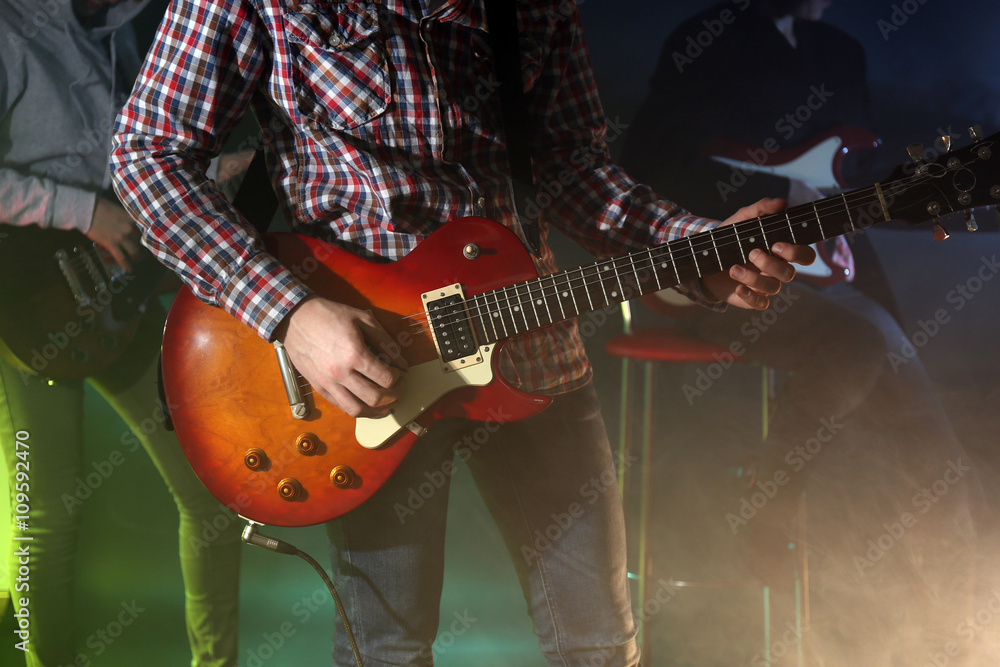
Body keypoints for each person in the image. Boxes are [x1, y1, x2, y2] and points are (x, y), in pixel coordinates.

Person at [109, 1, 814, 665]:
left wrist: (695, 250)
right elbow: (147, 156)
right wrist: (290, 313)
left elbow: (572, 168)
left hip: (530, 339)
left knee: (599, 643)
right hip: (365, 371)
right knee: (389, 650)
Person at [619, 0, 977, 662]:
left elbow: (856, 170)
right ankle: (768, 508)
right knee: (859, 345)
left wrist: (918, 191)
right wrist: (778, 189)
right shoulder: (707, 37)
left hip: (829, 276)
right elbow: (644, 163)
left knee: (928, 437)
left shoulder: (842, 51)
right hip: (716, 276)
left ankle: (958, 629)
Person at [0, 0, 244, 665]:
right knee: (47, 518)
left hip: (119, 296)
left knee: (210, 492)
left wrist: (218, 168)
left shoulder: (135, 25)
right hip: (24, 305)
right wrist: (83, 212)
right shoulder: (10, 29)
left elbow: (144, 155)